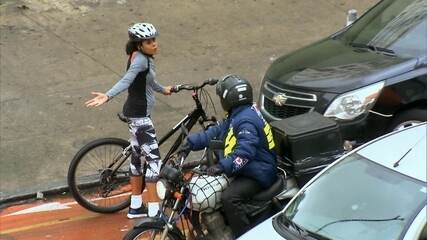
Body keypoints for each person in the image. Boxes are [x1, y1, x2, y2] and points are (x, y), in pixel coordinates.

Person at [85, 22, 172, 219]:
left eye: (154, 40)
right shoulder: (141, 60)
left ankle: (135, 207)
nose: (154, 44)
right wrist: (107, 95)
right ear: (139, 45)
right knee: (154, 162)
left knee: (136, 159)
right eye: (149, 42)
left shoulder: (140, 57)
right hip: (140, 117)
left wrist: (163, 89)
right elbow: (127, 80)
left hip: (134, 114)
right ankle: (154, 212)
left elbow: (147, 81)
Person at [180, 75, 277, 238]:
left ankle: (244, 235)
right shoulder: (239, 114)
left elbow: (245, 152)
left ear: (228, 99)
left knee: (229, 198)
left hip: (259, 172)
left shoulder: (246, 120)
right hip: (249, 168)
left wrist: (222, 166)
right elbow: (215, 132)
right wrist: (189, 143)